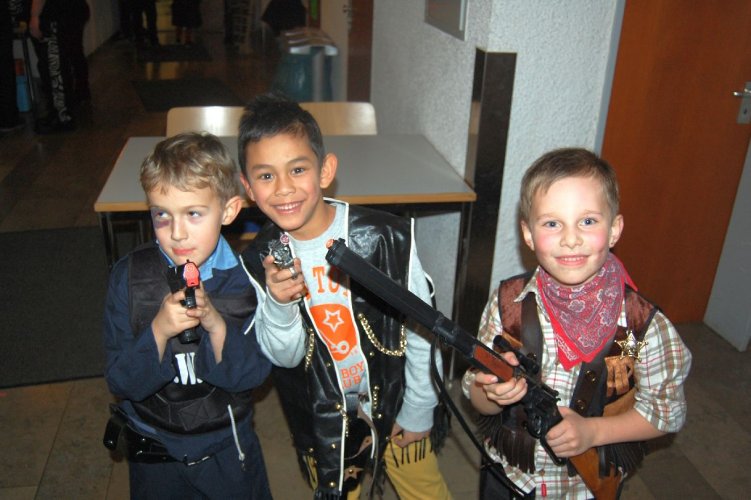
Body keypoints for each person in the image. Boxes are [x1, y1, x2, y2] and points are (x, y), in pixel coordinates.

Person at [238, 92, 452, 499]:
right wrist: (280, 304)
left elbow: (423, 327)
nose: (283, 188)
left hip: (396, 398)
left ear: (325, 171)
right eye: (265, 176)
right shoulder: (257, 262)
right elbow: (285, 358)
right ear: (248, 187)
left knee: (424, 489)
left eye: (297, 169)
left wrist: (420, 407)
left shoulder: (385, 239)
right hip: (322, 420)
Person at [462, 148, 692, 499]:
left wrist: (593, 433)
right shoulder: (508, 303)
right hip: (510, 474)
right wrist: (492, 392)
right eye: (552, 223)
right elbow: (477, 395)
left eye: (587, 221)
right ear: (528, 234)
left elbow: (666, 412)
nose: (571, 239)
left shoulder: (638, 328)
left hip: (580, 488)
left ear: (614, 230)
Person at [103, 132, 273, 499]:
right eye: (161, 215)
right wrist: (158, 332)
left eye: (193, 213)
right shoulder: (128, 279)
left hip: (226, 448)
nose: (177, 233)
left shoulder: (248, 282)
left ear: (229, 211)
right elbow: (121, 381)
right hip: (155, 448)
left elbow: (253, 375)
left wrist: (216, 325)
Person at [27, 0, 90, 133]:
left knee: (55, 67)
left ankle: (62, 116)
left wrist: (34, 16)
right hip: (69, 11)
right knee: (65, 60)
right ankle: (62, 111)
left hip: (56, 15)